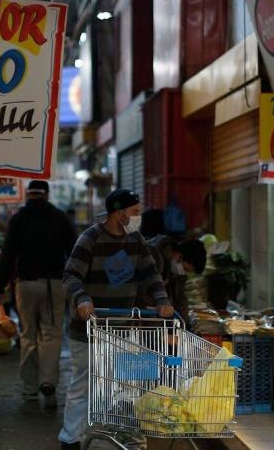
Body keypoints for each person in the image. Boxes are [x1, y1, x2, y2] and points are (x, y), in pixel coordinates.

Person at [58, 189, 174, 450]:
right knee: (85, 382)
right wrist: (82, 299)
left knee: (122, 384)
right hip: (89, 328)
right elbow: (70, 276)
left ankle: (117, 435)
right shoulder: (90, 238)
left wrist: (162, 301)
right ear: (118, 213)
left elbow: (151, 274)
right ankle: (70, 438)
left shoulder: (136, 240)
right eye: (134, 212)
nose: (138, 217)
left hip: (122, 327)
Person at [0, 180, 77, 407]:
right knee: (51, 335)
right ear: (47, 194)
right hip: (54, 285)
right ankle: (48, 382)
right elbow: (74, 251)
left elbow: (8, 255)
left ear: (27, 194)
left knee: (28, 334)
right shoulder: (60, 217)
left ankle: (29, 387)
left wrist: (1, 287)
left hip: (26, 285)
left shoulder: (18, 219)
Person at [139, 236, 207, 323]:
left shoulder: (178, 274)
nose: (184, 273)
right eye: (185, 269)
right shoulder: (154, 258)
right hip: (137, 314)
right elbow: (145, 292)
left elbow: (181, 300)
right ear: (179, 256)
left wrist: (183, 324)